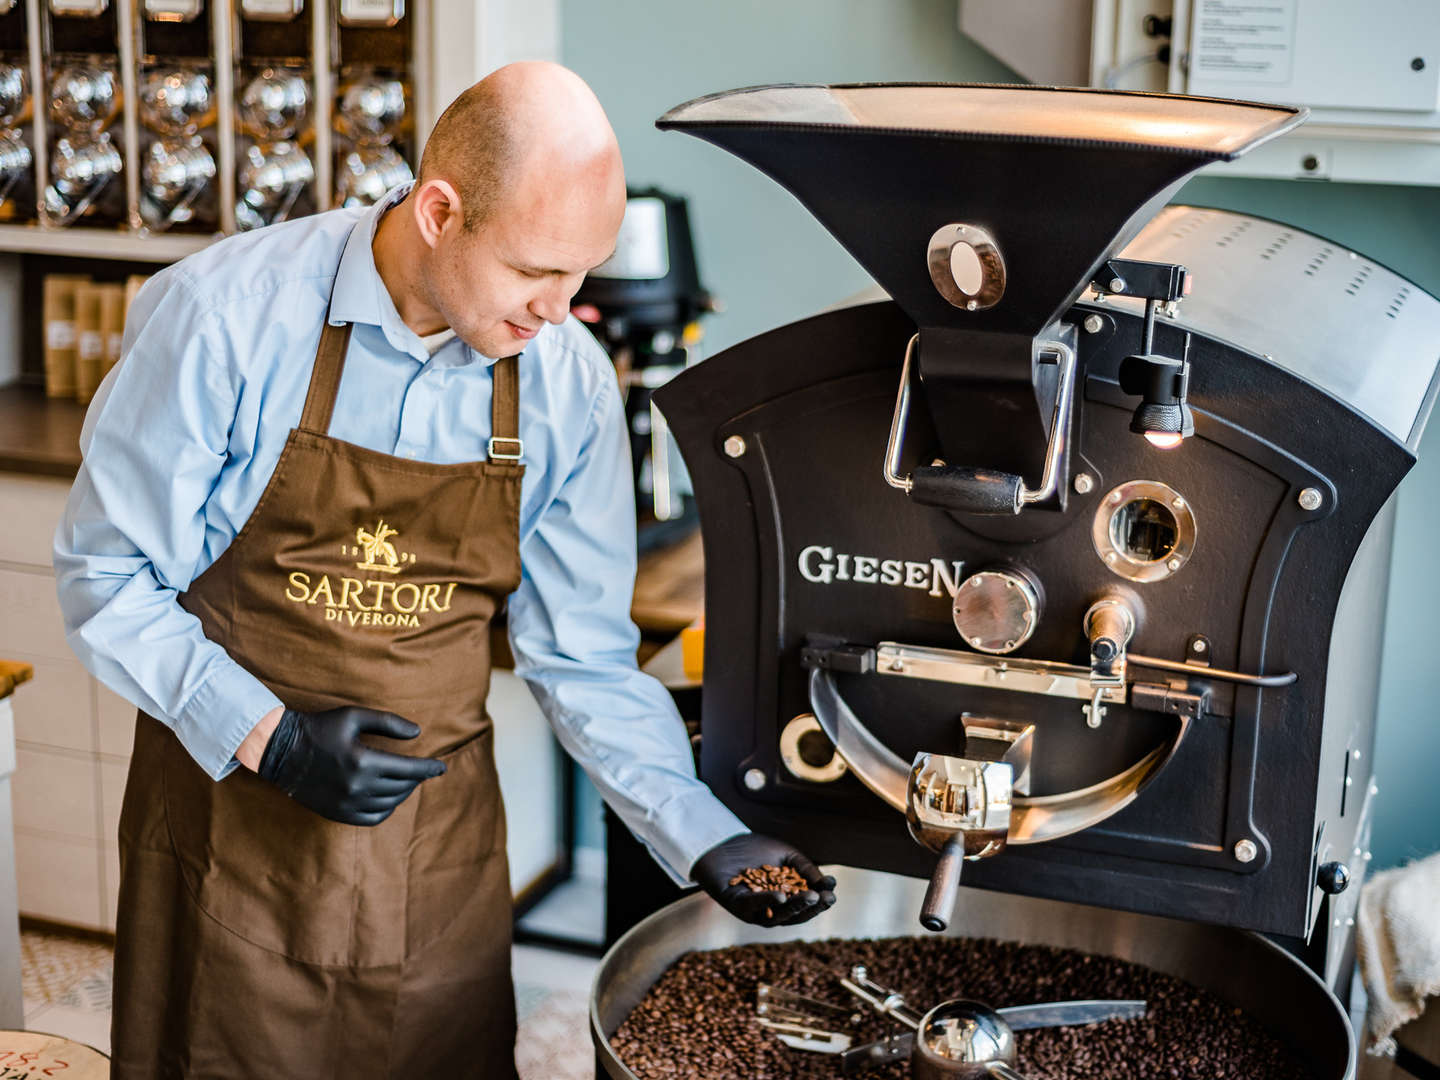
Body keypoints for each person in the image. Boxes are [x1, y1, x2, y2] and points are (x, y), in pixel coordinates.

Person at [52, 61, 835, 1079]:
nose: (561, 312)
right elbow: (104, 576)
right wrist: (273, 741)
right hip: (228, 837)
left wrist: (700, 834)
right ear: (439, 210)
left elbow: (583, 658)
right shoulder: (225, 319)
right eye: (534, 272)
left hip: (437, 858)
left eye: (583, 276)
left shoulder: (565, 384)